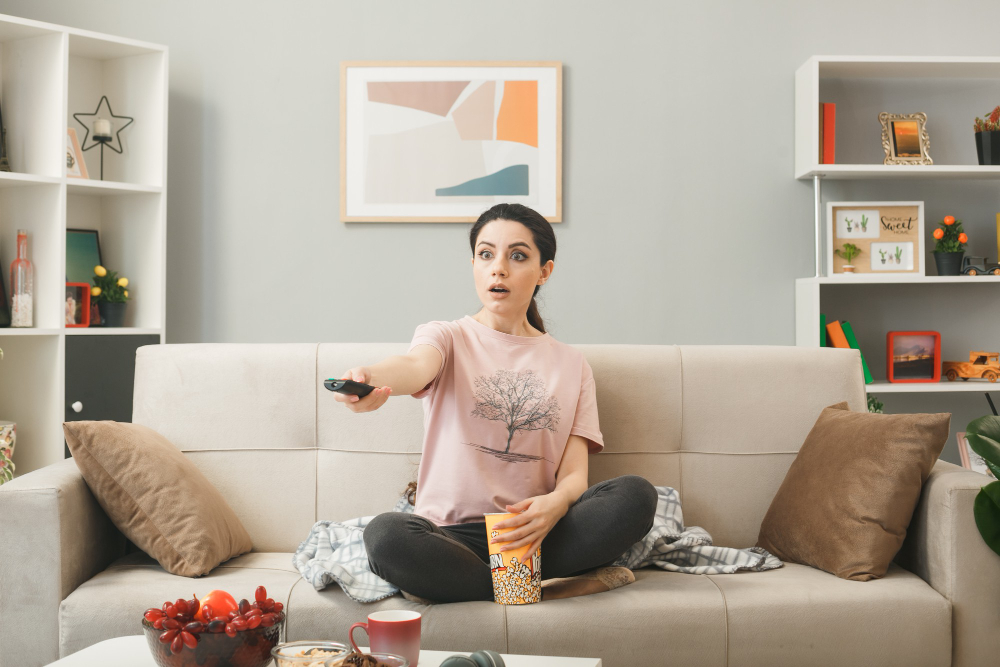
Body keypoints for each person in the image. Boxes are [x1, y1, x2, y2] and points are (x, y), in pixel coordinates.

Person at [332, 203, 658, 603]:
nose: (498, 267)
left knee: (636, 495)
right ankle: (539, 588)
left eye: (517, 255)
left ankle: (476, 586)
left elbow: (575, 475)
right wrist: (371, 379)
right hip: (449, 538)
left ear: (544, 272)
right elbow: (414, 366)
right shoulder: (446, 336)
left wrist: (554, 506)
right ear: (474, 264)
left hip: (532, 533)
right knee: (385, 536)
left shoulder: (572, 365)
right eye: (486, 254)